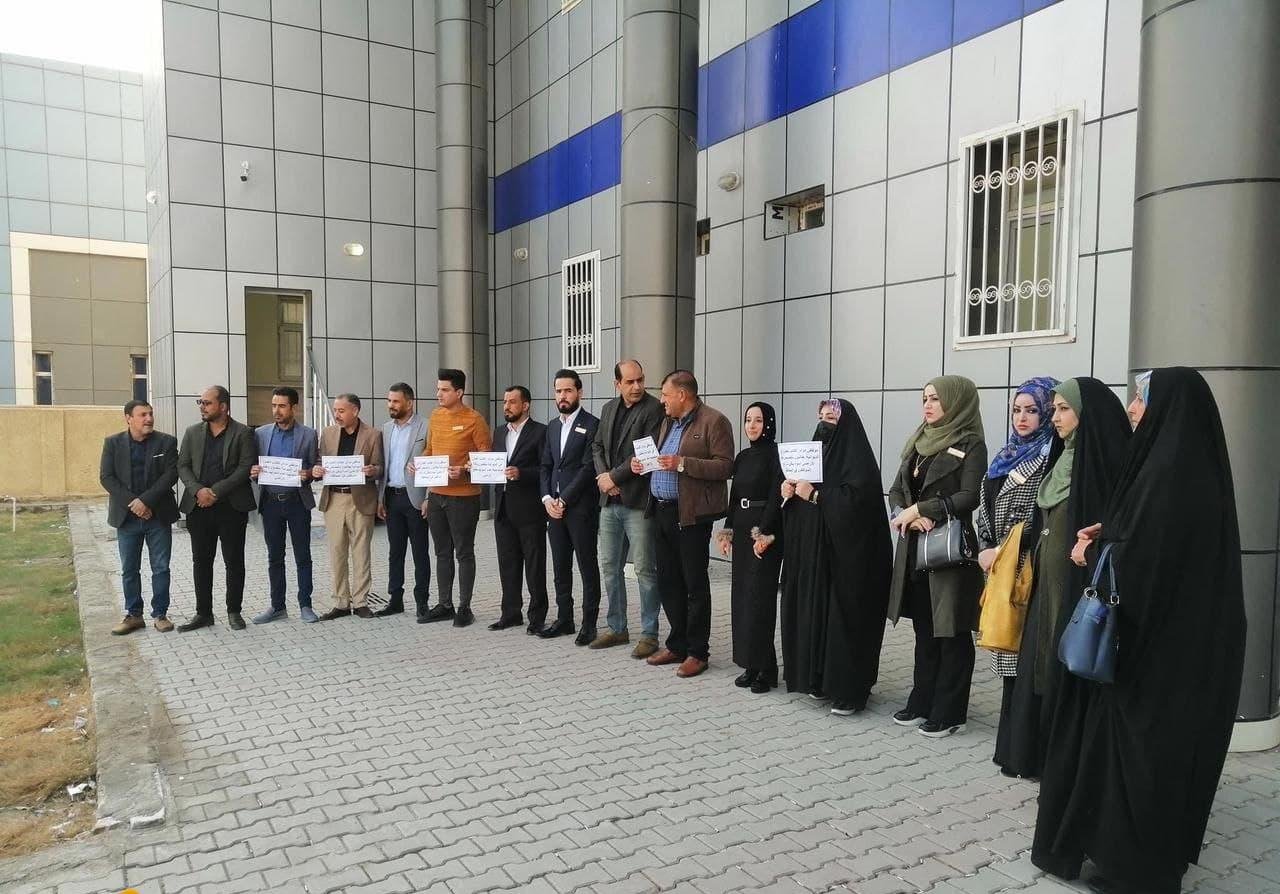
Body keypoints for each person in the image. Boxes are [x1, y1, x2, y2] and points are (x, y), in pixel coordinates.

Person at [1032, 368, 1246, 894]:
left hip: (1157, 660)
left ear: (1168, 409)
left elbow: (1145, 566)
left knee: (1143, 761)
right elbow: (1154, 543)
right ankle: (1131, 861)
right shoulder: (1184, 467)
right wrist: (1111, 533)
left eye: (1142, 398)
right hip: (1176, 654)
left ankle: (1136, 873)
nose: (1131, 407)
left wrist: (1093, 553)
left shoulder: (1167, 474)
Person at [998, 377, 1131, 779]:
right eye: (1053, 409)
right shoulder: (1062, 459)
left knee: (1065, 661)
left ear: (1085, 413)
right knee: (1039, 662)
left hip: (1078, 587)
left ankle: (1061, 762)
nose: (1055, 418)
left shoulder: (1100, 464)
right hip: (1047, 585)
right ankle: (1031, 754)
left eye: (1063, 409)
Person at [772, 399, 892, 713]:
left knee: (844, 621)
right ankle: (819, 679)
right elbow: (803, 507)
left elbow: (857, 504)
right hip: (817, 559)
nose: (825, 423)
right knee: (817, 616)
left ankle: (850, 690)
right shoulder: (814, 457)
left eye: (832, 418)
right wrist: (789, 494)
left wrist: (815, 495)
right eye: (822, 417)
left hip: (849, 562)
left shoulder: (859, 461)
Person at [886, 376, 987, 737]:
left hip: (948, 552)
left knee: (952, 632)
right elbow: (896, 490)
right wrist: (906, 513)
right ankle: (922, 700)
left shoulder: (971, 443)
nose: (928, 405)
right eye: (925, 398)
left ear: (956, 402)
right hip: (914, 548)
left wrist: (925, 509)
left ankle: (950, 711)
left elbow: (969, 496)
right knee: (924, 629)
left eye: (935, 399)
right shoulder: (919, 441)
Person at [975, 377, 1058, 772]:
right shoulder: (1005, 454)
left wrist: (1001, 549)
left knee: (1021, 658)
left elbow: (1038, 517)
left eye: (1032, 410)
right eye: (1017, 410)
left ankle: (1023, 748)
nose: (1022, 418)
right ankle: (1008, 744)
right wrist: (984, 547)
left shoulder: (1047, 456)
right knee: (1007, 656)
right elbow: (985, 508)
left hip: (1025, 568)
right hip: (996, 566)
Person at [631, 370, 734, 679]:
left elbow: (725, 466)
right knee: (669, 582)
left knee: (694, 585)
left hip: (691, 515)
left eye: (665, 394)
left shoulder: (714, 421)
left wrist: (683, 464)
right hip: (661, 511)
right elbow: (662, 460)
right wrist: (643, 465)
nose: (661, 400)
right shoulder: (667, 423)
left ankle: (698, 653)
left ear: (682, 395)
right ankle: (677, 644)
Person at [591, 360, 664, 656]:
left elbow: (644, 453)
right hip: (609, 501)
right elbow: (597, 446)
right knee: (610, 567)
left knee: (645, 569)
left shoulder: (654, 409)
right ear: (617, 384)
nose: (637, 386)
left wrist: (613, 477)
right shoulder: (609, 408)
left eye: (640, 380)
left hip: (637, 501)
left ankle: (649, 634)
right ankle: (617, 628)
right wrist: (604, 478)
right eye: (630, 382)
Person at [716, 402, 784, 691]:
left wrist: (763, 534)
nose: (752, 426)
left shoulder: (776, 455)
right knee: (742, 600)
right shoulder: (743, 457)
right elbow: (735, 497)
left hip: (764, 535)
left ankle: (767, 669)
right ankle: (750, 664)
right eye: (747, 420)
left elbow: (776, 499)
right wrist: (727, 531)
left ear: (769, 423)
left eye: (758, 420)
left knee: (760, 601)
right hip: (743, 531)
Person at [176, 385, 256, 632]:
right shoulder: (192, 432)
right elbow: (183, 465)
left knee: (234, 561)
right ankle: (203, 613)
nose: (202, 407)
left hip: (232, 507)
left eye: (207, 403)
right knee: (201, 561)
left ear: (223, 406)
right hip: (199, 507)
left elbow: (245, 468)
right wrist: (199, 491)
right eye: (200, 402)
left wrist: (215, 492)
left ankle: (234, 611)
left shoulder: (243, 433)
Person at [418, 368, 491, 628]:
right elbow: (430, 449)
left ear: (459, 392)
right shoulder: (435, 416)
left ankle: (464, 608)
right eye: (438, 389)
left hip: (464, 498)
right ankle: (445, 605)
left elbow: (486, 458)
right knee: (441, 552)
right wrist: (418, 463)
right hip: (437, 496)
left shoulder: (474, 419)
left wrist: (464, 469)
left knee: (464, 552)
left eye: (445, 390)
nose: (438, 394)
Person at [100, 400, 179, 635]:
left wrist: (146, 502)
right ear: (128, 418)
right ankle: (134, 615)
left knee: (161, 567)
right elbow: (106, 477)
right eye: (143, 414)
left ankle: (160, 614)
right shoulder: (113, 443)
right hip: (127, 518)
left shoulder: (166, 442)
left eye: (150, 414)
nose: (149, 418)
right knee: (129, 569)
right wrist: (134, 504)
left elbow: (171, 475)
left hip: (158, 515)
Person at [539, 369, 602, 644]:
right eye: (558, 391)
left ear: (579, 392)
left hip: (580, 509)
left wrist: (564, 499)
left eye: (567, 390)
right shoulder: (553, 426)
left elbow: (588, 468)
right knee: (560, 567)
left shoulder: (592, 425)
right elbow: (546, 465)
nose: (562, 396)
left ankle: (589, 624)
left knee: (587, 567)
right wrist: (547, 499)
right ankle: (564, 619)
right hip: (554, 509)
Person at [249, 387, 320, 624]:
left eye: (281, 406)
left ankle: (305, 605)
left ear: (294, 408)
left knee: (303, 556)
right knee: (274, 556)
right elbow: (253, 466)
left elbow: (315, 466)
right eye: (273, 405)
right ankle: (277, 606)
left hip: (297, 502)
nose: (276, 411)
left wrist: (308, 473)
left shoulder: (308, 435)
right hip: (270, 503)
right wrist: (254, 472)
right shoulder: (260, 434)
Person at [311, 394, 383, 620]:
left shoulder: (373, 435)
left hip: (360, 499)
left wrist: (373, 470)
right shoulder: (328, 433)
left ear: (355, 411)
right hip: (334, 498)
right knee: (337, 552)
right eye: (335, 410)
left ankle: (361, 602)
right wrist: (316, 470)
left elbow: (380, 466)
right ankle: (341, 603)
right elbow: (320, 461)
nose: (337, 415)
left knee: (361, 552)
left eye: (341, 411)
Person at [490, 385, 549, 633]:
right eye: (505, 402)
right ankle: (511, 613)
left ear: (525, 405)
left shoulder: (541, 432)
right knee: (508, 563)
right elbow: (493, 465)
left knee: (534, 565)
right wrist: (477, 467)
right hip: (503, 508)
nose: (506, 406)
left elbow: (546, 468)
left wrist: (521, 473)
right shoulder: (499, 432)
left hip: (530, 509)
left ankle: (537, 617)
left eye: (512, 402)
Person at [376, 383, 431, 620]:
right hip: (391, 497)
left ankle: (422, 602)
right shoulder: (386, 429)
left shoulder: (426, 426)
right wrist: (380, 498)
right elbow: (384, 465)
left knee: (420, 553)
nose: (391, 405)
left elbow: (434, 462)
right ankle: (395, 600)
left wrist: (428, 497)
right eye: (389, 401)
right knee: (395, 552)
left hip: (415, 499)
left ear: (409, 403)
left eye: (396, 401)